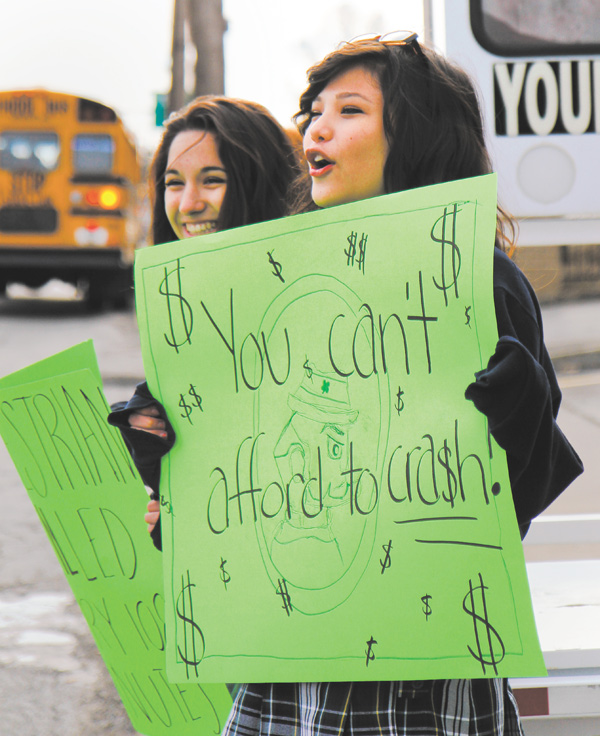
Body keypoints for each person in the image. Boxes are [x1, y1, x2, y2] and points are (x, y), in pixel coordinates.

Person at [220, 32, 583, 736]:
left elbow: (508, 511)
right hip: (293, 668)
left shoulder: (480, 284)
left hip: (423, 673)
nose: (315, 129)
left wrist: (523, 414)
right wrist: (170, 448)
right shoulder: (277, 281)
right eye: (313, 112)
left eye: (349, 110)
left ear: (414, 136)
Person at [107, 95, 304, 547]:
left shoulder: (314, 298)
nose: (189, 203)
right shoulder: (183, 317)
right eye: (173, 183)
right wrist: (160, 466)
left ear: (260, 183)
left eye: (213, 180)